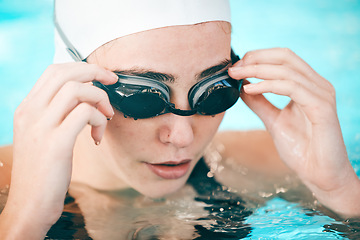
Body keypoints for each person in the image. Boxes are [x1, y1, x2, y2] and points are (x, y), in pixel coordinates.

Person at [0, 0, 359, 239]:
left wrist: (340, 189)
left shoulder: (268, 163)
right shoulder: (7, 190)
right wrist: (23, 223)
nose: (183, 136)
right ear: (69, 81)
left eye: (215, 91)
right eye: (142, 98)